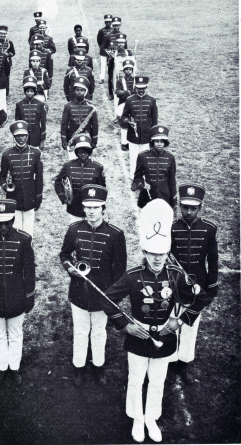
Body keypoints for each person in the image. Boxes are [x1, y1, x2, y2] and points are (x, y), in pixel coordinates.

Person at [101, 199, 210, 443]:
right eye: (153, 253)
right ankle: (137, 418)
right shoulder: (132, 277)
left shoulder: (175, 276)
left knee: (158, 381)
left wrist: (179, 321)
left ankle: (151, 417)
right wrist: (125, 324)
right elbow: (106, 299)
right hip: (138, 336)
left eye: (161, 254)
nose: (158, 258)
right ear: (145, 252)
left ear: (167, 253)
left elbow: (201, 297)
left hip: (166, 335)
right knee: (136, 379)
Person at [60, 184, 127, 386]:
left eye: (95, 207)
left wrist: (113, 297)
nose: (91, 211)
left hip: (103, 294)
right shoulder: (74, 229)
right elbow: (64, 255)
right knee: (80, 331)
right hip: (79, 291)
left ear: (103, 208)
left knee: (98, 331)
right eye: (87, 207)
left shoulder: (116, 234)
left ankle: (99, 366)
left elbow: (120, 269)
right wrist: (69, 267)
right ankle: (78, 366)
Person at [0, 199, 36, 386]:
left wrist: (29, 296)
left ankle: (14, 367)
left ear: (12, 219)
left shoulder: (24, 239)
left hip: (16, 294)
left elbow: (29, 271)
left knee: (16, 333)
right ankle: (3, 367)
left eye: (7, 222)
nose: (3, 227)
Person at [167, 184, 219, 384]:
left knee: (190, 324)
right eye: (185, 207)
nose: (188, 212)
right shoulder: (171, 228)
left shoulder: (209, 229)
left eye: (193, 208)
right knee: (171, 319)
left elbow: (213, 260)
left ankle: (184, 361)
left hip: (198, 285)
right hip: (173, 283)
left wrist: (211, 285)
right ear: (180, 205)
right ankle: (170, 360)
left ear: (200, 207)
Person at [0, 120, 43, 237]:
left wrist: (38, 196)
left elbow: (39, 178)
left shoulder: (35, 153)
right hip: (14, 196)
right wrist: (6, 187)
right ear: (14, 137)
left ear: (27, 136)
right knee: (16, 227)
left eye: (23, 135)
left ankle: (28, 250)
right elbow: (2, 177)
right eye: (17, 136)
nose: (21, 138)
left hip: (30, 195)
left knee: (28, 228)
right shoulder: (7, 154)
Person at [54, 135, 106, 223]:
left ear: (89, 152)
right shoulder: (68, 166)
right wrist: (63, 198)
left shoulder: (97, 167)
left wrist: (102, 208)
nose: (83, 154)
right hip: (74, 208)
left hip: (92, 209)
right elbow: (58, 182)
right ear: (76, 152)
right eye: (80, 151)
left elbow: (102, 189)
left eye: (86, 151)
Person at [131, 126, 177, 210]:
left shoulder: (170, 158)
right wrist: (142, 185)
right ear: (152, 142)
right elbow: (137, 178)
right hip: (147, 197)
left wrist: (174, 201)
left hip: (165, 197)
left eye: (162, 141)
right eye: (157, 141)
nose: (159, 144)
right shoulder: (142, 156)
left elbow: (172, 181)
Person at [121, 76, 158, 179]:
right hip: (133, 134)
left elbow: (154, 121)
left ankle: (144, 176)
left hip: (147, 134)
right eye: (138, 88)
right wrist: (129, 122)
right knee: (133, 157)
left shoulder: (152, 101)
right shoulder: (129, 100)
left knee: (145, 157)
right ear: (135, 88)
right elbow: (123, 117)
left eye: (143, 88)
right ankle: (134, 176)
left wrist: (153, 137)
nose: (141, 91)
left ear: (146, 88)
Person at [61, 76, 98, 160]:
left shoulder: (91, 107)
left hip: (87, 137)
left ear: (85, 92)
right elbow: (64, 125)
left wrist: (94, 140)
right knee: (73, 161)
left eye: (82, 90)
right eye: (77, 90)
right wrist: (64, 140)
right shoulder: (68, 106)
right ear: (74, 91)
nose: (79, 92)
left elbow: (95, 125)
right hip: (72, 137)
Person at [15, 76, 47, 149]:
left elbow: (43, 123)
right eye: (27, 91)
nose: (29, 93)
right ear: (25, 92)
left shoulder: (40, 104)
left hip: (36, 135)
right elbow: (17, 122)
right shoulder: (19, 104)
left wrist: (42, 140)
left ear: (34, 92)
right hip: (23, 136)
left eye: (32, 91)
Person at [102, 17, 126, 100]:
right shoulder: (108, 35)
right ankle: (110, 93)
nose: (116, 27)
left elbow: (126, 48)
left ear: (120, 25)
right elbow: (103, 48)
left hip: (121, 59)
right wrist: (109, 53)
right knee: (111, 76)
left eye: (118, 25)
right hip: (111, 59)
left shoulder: (123, 35)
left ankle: (121, 91)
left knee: (121, 75)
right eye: (115, 25)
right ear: (113, 25)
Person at [110, 33, 133, 117]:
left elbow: (133, 65)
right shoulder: (114, 53)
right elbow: (110, 68)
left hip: (127, 77)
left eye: (122, 43)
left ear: (125, 43)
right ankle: (117, 115)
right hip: (117, 77)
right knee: (117, 97)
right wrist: (111, 58)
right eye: (119, 42)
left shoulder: (129, 52)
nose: (121, 44)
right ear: (116, 43)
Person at [115, 59, 135, 151]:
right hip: (123, 104)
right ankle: (124, 143)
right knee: (124, 123)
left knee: (133, 122)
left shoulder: (136, 80)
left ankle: (130, 142)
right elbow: (118, 93)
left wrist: (125, 92)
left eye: (130, 69)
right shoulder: (119, 81)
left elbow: (137, 92)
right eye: (126, 69)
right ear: (123, 70)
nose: (128, 71)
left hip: (134, 104)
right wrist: (130, 92)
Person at [96, 14, 114, 85]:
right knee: (103, 64)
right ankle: (102, 78)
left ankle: (111, 78)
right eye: (107, 22)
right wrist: (102, 47)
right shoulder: (101, 30)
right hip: (104, 51)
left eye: (110, 21)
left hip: (112, 50)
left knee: (111, 65)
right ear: (105, 22)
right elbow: (99, 40)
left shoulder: (113, 30)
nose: (108, 23)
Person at [0, 25, 15, 96]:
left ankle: (6, 93)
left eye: (4, 34)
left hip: (7, 62)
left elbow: (13, 52)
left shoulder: (9, 42)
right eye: (1, 34)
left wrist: (7, 54)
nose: (3, 35)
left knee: (6, 77)